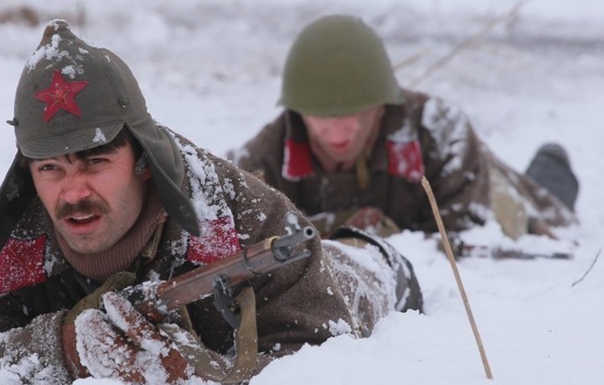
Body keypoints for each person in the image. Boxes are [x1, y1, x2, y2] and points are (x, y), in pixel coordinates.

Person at [0, 19, 421, 385]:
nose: (73, 191)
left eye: (96, 160)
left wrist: (196, 379)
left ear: (143, 159)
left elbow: (326, 361)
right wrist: (64, 349)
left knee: (364, 263)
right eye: (50, 168)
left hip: (363, 275)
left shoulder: (245, 219)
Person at [231, 14, 579, 244]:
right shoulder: (262, 160)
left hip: (483, 185)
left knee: (534, 214)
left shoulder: (440, 133)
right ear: (297, 112)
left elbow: (468, 245)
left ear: (382, 106)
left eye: (355, 114)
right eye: (322, 118)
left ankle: (553, 165)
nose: (339, 133)